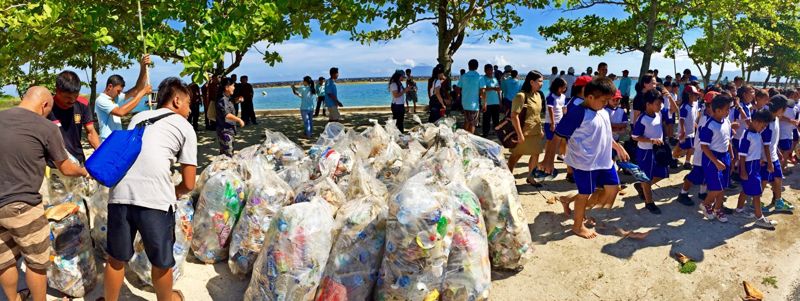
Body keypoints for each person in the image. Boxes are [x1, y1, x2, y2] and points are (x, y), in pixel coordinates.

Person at [102, 78, 196, 301]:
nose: (190, 109)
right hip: (155, 201)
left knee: (116, 259)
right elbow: (189, 183)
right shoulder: (185, 127)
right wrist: (175, 192)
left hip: (119, 196)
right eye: (189, 103)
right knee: (162, 262)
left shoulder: (138, 117)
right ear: (176, 101)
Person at [0, 86, 88, 301]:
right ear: (45, 105)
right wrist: (85, 171)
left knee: (5, 259)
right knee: (37, 262)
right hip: (24, 205)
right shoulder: (46, 127)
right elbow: (66, 168)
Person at [540, 77, 627, 239]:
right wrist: (548, 159)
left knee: (612, 190)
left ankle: (568, 201)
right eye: (604, 100)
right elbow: (557, 137)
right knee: (585, 194)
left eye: (608, 100)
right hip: (584, 163)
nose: (607, 103)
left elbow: (606, 134)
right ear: (590, 97)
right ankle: (577, 225)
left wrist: (618, 146)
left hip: (604, 161)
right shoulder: (577, 113)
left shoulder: (603, 111)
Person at [733, 109, 777, 228]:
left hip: (755, 165)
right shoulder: (747, 135)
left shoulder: (756, 134)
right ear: (756, 122)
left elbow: (753, 151)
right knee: (757, 193)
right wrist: (743, 170)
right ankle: (759, 218)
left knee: (746, 189)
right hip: (749, 167)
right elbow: (742, 155)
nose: (763, 128)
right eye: (763, 125)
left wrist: (760, 160)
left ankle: (739, 209)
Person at [95, 55, 152, 142]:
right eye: (118, 91)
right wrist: (142, 93)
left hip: (117, 138)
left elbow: (137, 89)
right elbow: (120, 112)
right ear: (110, 86)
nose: (119, 94)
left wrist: (143, 67)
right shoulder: (101, 100)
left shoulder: (115, 97)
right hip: (107, 140)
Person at [631, 89, 671, 214]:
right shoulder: (643, 119)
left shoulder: (658, 114)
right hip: (645, 152)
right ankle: (649, 202)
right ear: (648, 104)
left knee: (662, 173)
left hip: (658, 150)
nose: (660, 106)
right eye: (657, 103)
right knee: (647, 177)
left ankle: (641, 185)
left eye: (660, 103)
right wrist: (650, 140)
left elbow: (673, 111)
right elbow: (635, 136)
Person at [48, 71, 100, 163]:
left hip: (77, 160)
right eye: (67, 97)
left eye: (75, 96)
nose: (72, 101)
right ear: (57, 91)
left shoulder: (83, 104)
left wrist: (100, 153)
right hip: (54, 163)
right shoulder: (47, 106)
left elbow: (91, 132)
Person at [698, 94, 735, 222]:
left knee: (723, 185)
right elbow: (704, 147)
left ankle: (718, 209)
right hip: (712, 158)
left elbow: (728, 140)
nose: (728, 111)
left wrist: (731, 154)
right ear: (718, 110)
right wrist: (716, 161)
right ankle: (706, 204)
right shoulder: (709, 125)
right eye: (726, 109)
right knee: (716, 187)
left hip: (725, 156)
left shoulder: (726, 121)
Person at [506, 70, 546, 187]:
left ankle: (531, 177)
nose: (541, 83)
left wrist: (541, 130)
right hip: (523, 132)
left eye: (542, 81)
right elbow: (514, 116)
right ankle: (509, 175)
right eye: (539, 81)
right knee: (516, 155)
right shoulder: (521, 96)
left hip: (535, 131)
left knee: (536, 154)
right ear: (531, 82)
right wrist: (519, 134)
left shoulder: (538, 95)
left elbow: (537, 115)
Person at [675, 88, 714, 206]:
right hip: (701, 152)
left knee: (706, 174)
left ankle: (702, 192)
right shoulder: (706, 120)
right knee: (695, 174)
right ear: (709, 106)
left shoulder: (708, 118)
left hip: (707, 151)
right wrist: (682, 130)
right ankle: (683, 193)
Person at [761, 95, 793, 212]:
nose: (785, 111)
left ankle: (778, 201)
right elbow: (765, 145)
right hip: (766, 158)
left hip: (773, 155)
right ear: (780, 109)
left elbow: (773, 141)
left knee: (778, 178)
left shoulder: (776, 119)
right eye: (785, 108)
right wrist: (769, 163)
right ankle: (755, 201)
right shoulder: (768, 122)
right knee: (764, 181)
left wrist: (777, 151)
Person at [216, 78, 245, 156]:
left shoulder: (227, 98)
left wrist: (237, 100)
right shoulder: (222, 99)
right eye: (233, 85)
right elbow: (226, 114)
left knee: (224, 154)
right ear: (227, 87)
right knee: (228, 154)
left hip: (229, 130)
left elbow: (230, 104)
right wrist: (239, 120)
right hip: (225, 131)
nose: (234, 87)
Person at [676, 85, 702, 169]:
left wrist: (696, 125)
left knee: (691, 148)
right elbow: (681, 119)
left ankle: (687, 162)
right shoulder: (684, 107)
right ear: (688, 95)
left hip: (692, 131)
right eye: (694, 94)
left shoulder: (694, 105)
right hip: (685, 132)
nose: (696, 96)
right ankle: (673, 158)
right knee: (681, 148)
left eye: (696, 94)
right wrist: (683, 130)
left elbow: (693, 117)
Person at [544, 77, 568, 155]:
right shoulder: (550, 96)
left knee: (562, 139)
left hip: (560, 121)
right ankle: (547, 156)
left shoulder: (563, 96)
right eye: (562, 87)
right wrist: (553, 123)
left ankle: (561, 155)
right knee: (550, 140)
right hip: (550, 122)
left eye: (565, 87)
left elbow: (563, 108)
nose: (563, 89)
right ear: (557, 86)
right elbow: (550, 109)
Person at [458, 59, 482, 133]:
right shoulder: (479, 77)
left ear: (468, 66)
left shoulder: (463, 76)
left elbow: (458, 88)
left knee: (467, 121)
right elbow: (483, 91)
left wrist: (462, 95)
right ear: (477, 67)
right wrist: (484, 103)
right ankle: (470, 139)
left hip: (464, 102)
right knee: (472, 123)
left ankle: (463, 138)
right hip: (474, 104)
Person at [777, 89, 798, 168]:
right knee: (783, 151)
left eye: (795, 96)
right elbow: (778, 116)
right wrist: (789, 120)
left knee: (787, 151)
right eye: (791, 96)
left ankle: (783, 166)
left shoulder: (795, 107)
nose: (793, 97)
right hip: (782, 132)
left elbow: (795, 119)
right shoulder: (782, 106)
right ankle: (781, 168)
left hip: (790, 133)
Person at [480, 64, 502, 137]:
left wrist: (500, 101)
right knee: (486, 120)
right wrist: (493, 88)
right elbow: (482, 90)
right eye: (489, 70)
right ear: (485, 70)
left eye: (491, 70)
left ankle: (497, 133)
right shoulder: (482, 78)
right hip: (487, 103)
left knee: (496, 120)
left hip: (496, 102)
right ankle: (485, 134)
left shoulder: (495, 79)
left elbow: (498, 90)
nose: (491, 71)